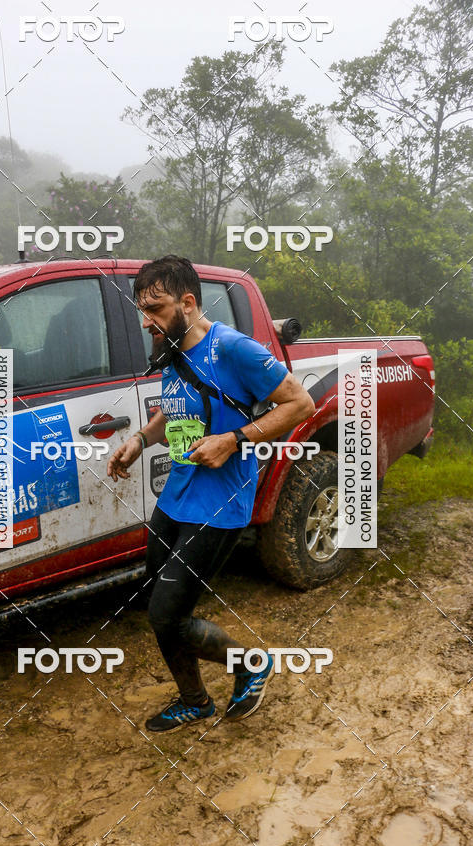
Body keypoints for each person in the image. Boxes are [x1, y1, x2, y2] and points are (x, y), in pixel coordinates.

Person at [107, 256, 315, 732]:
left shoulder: (233, 348)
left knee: (168, 614)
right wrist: (138, 441)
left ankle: (250, 665)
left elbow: (298, 403)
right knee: (157, 606)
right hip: (177, 494)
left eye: (156, 308)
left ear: (188, 302)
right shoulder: (173, 346)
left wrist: (234, 440)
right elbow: (173, 409)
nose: (147, 321)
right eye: (143, 310)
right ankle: (195, 700)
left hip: (220, 503)